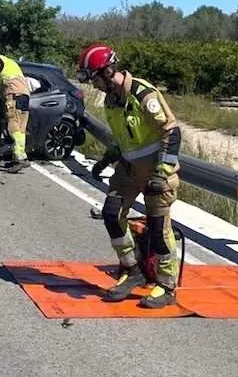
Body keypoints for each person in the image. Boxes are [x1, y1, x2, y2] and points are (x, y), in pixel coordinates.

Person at [78, 43, 182, 309]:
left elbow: (171, 133)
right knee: (112, 214)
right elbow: (127, 137)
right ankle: (131, 269)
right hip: (128, 167)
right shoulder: (111, 100)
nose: (95, 86)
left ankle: (167, 285)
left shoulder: (143, 94)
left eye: (96, 79)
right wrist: (109, 156)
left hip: (157, 170)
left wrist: (161, 172)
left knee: (158, 230)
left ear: (108, 72)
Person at [0, 44, 31, 173]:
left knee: (13, 127)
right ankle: (18, 157)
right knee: (20, 128)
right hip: (24, 95)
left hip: (13, 94)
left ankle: (20, 159)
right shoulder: (9, 62)